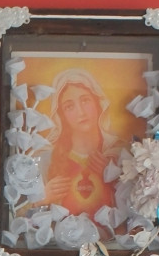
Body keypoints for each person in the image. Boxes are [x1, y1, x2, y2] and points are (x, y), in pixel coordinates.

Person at [37, 68, 116, 215]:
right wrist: (42, 199)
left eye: (85, 100)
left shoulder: (117, 153)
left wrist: (115, 180)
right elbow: (18, 216)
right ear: (61, 115)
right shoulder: (46, 159)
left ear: (98, 102)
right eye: (69, 106)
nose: (81, 112)